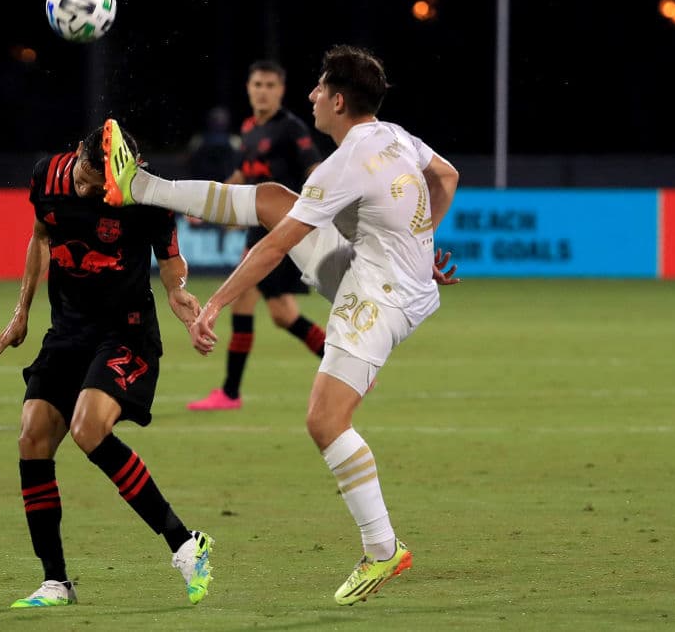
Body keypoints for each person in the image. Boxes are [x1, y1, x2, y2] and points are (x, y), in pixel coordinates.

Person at [99, 44, 460, 605]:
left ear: (338, 100)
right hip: (382, 273)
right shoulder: (395, 136)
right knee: (271, 199)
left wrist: (215, 303)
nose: (311, 95)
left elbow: (274, 250)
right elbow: (446, 175)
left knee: (324, 421)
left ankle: (383, 548)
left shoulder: (345, 163)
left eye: (319, 88)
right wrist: (422, 243)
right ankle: (140, 186)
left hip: (376, 296)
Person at [0, 122, 215, 609]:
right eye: (91, 173)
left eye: (106, 178)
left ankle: (186, 544)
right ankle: (56, 582)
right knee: (32, 437)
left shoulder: (142, 192)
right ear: (78, 156)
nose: (94, 187)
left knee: (89, 428)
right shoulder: (46, 175)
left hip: (125, 332)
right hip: (68, 332)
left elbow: (169, 258)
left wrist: (177, 291)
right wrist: (21, 310)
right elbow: (40, 236)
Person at [187, 60, 327, 412]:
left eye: (269, 85)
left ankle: (230, 393)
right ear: (249, 88)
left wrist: (320, 207)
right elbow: (240, 176)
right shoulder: (249, 129)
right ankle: (231, 393)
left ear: (280, 90)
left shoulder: (291, 129)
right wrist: (206, 204)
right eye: (257, 85)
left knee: (258, 302)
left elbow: (316, 170)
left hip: (285, 231)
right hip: (258, 230)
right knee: (279, 312)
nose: (262, 91)